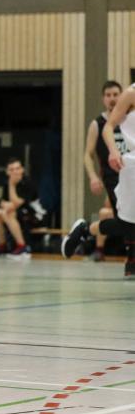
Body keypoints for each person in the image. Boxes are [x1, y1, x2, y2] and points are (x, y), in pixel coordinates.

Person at [66, 83, 135, 278]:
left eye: (115, 94)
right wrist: (94, 175)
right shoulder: (101, 120)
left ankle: (85, 230)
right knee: (126, 222)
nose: (112, 98)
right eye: (108, 94)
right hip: (121, 168)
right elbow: (90, 150)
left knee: (128, 224)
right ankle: (129, 257)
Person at [0, 158, 38, 259]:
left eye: (17, 168)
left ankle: (22, 247)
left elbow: (16, 203)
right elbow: (1, 202)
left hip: (32, 215)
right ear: (7, 172)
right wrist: (6, 205)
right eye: (11, 169)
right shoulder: (5, 183)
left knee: (8, 212)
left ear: (22, 170)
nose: (15, 172)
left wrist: (12, 185)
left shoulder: (28, 183)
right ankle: (3, 246)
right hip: (14, 214)